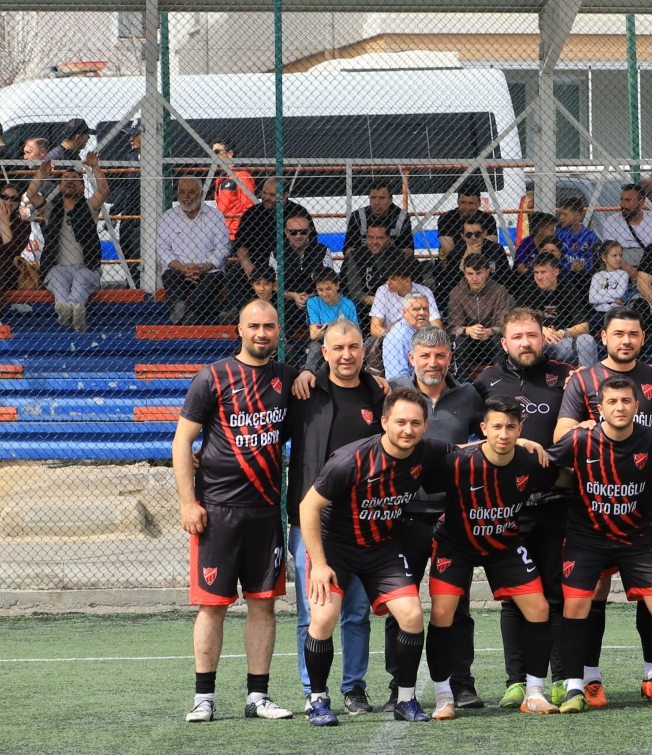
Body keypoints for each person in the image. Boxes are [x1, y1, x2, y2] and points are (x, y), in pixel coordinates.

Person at [172, 298, 297, 722]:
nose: (262, 333)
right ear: (239, 330)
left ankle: (257, 696)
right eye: (254, 326)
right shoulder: (213, 376)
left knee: (264, 605)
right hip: (217, 512)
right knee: (213, 606)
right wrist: (188, 502)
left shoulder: (287, 378)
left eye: (269, 326)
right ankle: (203, 698)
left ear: (279, 331)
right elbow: (181, 443)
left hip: (265, 512)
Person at [297, 388, 452, 725]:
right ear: (384, 422)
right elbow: (308, 506)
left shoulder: (428, 452)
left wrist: (523, 444)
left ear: (425, 425)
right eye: (400, 422)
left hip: (382, 547)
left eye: (415, 423)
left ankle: (405, 700)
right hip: (336, 546)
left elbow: (472, 453)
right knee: (323, 618)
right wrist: (319, 565)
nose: (407, 429)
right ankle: (318, 701)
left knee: (411, 614)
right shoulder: (350, 460)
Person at [547, 376, 652, 711]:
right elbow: (545, 465)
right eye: (612, 402)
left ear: (637, 406)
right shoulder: (580, 440)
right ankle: (573, 688)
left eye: (626, 401)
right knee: (575, 607)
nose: (620, 407)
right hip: (587, 538)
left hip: (637, 538)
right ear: (600, 408)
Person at [554, 306, 652, 699]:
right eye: (618, 333)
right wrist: (585, 427)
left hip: (642, 512)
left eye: (634, 334)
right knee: (594, 594)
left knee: (651, 594)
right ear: (603, 337)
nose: (626, 340)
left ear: (643, 338)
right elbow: (563, 434)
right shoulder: (583, 380)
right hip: (593, 512)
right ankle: (589, 677)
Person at [471, 307, 577, 707]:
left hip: (556, 503)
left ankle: (561, 677)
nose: (526, 343)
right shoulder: (485, 382)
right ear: (504, 342)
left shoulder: (566, 376)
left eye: (532, 335)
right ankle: (516, 680)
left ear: (543, 337)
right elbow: (471, 438)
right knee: (514, 595)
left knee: (555, 593)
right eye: (517, 337)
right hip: (505, 508)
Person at [421, 396, 551, 718]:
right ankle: (443, 696)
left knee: (539, 608)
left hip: (504, 544)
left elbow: (564, 473)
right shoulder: (458, 461)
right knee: (442, 612)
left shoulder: (530, 460)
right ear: (483, 429)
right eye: (496, 426)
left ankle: (534, 692)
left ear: (520, 429)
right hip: (455, 545)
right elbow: (421, 468)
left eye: (511, 427)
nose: (504, 434)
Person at [284, 319, 385, 711]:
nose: (347, 355)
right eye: (338, 348)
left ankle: (353, 687)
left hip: (364, 520)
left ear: (364, 350)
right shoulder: (304, 391)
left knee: (357, 611)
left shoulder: (377, 393)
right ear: (324, 352)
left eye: (354, 347)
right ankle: (314, 691)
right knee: (313, 611)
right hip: (312, 522)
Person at [385, 324, 486, 711]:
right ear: (411, 358)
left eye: (440, 355)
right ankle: (400, 685)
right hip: (404, 516)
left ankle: (461, 683)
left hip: (454, 517)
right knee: (401, 605)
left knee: (455, 606)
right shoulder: (394, 393)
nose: (433, 362)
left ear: (450, 357)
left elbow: (491, 438)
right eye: (425, 356)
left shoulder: (470, 395)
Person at [26, 153, 108, 332]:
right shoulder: (50, 208)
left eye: (74, 179)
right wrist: (41, 173)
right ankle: (72, 310)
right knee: (56, 279)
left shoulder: (89, 207)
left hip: (86, 266)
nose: (70, 181)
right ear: (59, 185)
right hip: (57, 267)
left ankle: (68, 309)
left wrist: (95, 167)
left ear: (82, 185)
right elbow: (31, 194)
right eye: (65, 179)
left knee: (82, 279)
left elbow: (103, 191)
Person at [155, 176, 230, 325]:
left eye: (191, 192)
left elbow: (224, 247)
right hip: (179, 270)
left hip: (208, 270)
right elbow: (162, 248)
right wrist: (182, 268)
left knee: (214, 279)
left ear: (201, 194)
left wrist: (204, 268)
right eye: (181, 192)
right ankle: (186, 312)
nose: (185, 196)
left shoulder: (215, 216)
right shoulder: (168, 217)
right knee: (170, 277)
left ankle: (186, 313)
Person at [233, 178, 313, 296]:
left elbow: (311, 242)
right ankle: (240, 312)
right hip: (257, 268)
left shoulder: (299, 213)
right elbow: (240, 244)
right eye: (264, 192)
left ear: (285, 195)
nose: (265, 197)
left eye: (272, 195)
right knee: (236, 273)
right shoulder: (252, 214)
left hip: (289, 267)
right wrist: (247, 264)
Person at [521, 252, 596, 366]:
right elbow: (519, 323)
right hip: (538, 342)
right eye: (536, 272)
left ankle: (587, 381)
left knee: (587, 341)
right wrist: (541, 329)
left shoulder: (568, 289)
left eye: (543, 272)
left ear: (556, 272)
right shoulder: (529, 290)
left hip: (564, 342)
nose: (539, 277)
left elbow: (584, 326)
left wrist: (563, 333)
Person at [448, 252, 512, 372]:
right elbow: (454, 327)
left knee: (499, 339)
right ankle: (463, 380)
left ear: (487, 272)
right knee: (460, 340)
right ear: (464, 273)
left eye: (479, 273)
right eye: (470, 274)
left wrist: (490, 331)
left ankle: (500, 377)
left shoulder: (499, 291)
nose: (475, 278)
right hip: (468, 343)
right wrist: (468, 330)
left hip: (491, 341)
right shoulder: (456, 293)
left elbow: (505, 324)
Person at [435, 218, 511, 301]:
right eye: (468, 235)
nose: (473, 238)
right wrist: (466, 256)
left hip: (493, 294)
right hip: (464, 296)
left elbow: (506, 277)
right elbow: (452, 282)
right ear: (462, 236)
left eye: (477, 234)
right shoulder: (455, 252)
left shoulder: (496, 250)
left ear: (484, 234)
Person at [0, 181, 31, 327]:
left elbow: (13, 250)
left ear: (18, 201)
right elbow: (5, 246)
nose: (8, 201)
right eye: (5, 197)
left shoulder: (24, 225)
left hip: (8, 269)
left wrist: (6, 224)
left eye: (13, 199)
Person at [109, 119, 143, 287]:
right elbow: (126, 188)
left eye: (134, 134)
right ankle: (132, 285)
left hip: (145, 217)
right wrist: (114, 211)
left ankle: (141, 288)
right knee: (127, 255)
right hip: (128, 215)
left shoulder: (157, 158)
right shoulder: (130, 156)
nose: (130, 139)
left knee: (141, 257)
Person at [368, 261, 439, 339]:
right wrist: (392, 338)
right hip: (391, 337)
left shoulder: (425, 292)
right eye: (388, 278)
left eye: (393, 279)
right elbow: (374, 328)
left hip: (420, 337)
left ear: (407, 281)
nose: (388, 282)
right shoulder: (382, 291)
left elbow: (436, 325)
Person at [343, 178, 414, 255]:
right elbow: (347, 250)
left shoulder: (402, 217)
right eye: (373, 198)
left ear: (390, 199)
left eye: (382, 198)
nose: (377, 202)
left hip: (393, 263)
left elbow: (409, 251)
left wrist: (390, 253)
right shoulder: (357, 217)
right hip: (363, 263)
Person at [435, 177, 498, 260]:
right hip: (454, 264)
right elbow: (449, 253)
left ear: (479, 203)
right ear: (457, 202)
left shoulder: (488, 219)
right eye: (463, 202)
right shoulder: (446, 218)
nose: (467, 207)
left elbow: (490, 248)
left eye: (471, 203)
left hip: (481, 261)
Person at [600, 183, 652, 272]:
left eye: (628, 200)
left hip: (651, 270)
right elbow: (610, 253)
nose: (623, 204)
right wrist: (632, 273)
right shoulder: (611, 221)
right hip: (620, 271)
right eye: (622, 200)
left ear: (641, 203)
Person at [210, 138, 256, 239]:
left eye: (217, 152)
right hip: (224, 231)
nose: (214, 156)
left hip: (237, 233)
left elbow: (249, 207)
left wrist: (242, 232)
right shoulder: (221, 178)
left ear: (230, 154)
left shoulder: (241, 175)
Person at [379, 294, 431, 382]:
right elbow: (398, 378)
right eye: (416, 309)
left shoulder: (425, 329)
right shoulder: (397, 337)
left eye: (425, 309)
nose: (422, 313)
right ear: (404, 312)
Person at [553, 194, 601, 274]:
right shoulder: (558, 234)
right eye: (560, 214)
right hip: (564, 277)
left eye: (565, 214)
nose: (561, 217)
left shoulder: (591, 237)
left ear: (577, 215)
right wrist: (569, 265)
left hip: (586, 279)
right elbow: (552, 260)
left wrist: (584, 268)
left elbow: (596, 263)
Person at [306, 270, 357, 342]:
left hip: (343, 340)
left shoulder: (348, 303)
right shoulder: (312, 302)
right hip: (321, 341)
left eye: (328, 289)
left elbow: (356, 332)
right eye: (320, 290)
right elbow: (314, 335)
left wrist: (326, 331)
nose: (324, 294)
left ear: (337, 285)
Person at [588, 240, 632, 317]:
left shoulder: (623, 274)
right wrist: (614, 300)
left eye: (620, 255)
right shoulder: (597, 276)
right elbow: (592, 298)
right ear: (604, 258)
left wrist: (599, 292)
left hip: (617, 312)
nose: (619, 258)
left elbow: (619, 293)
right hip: (599, 312)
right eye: (615, 255)